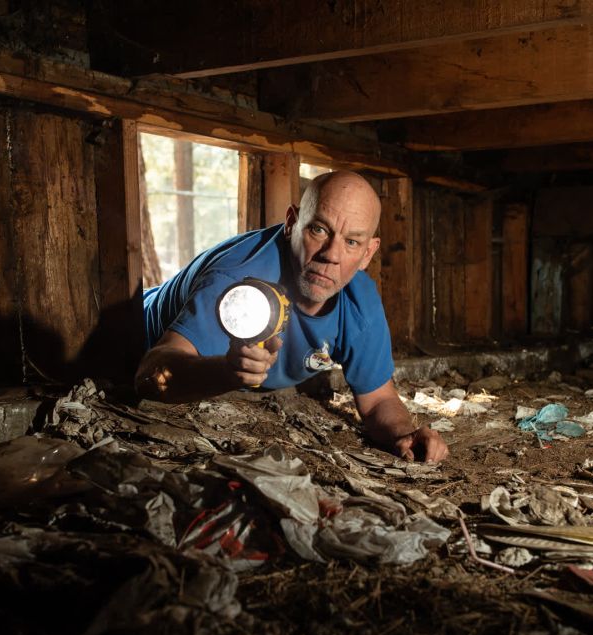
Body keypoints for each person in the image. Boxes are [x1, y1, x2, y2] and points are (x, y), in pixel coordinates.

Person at [135, 170, 448, 463]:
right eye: (319, 229)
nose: (332, 255)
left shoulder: (359, 302)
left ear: (368, 252)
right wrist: (225, 372)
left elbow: (379, 399)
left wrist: (404, 434)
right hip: (135, 326)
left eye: (351, 241)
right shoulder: (236, 281)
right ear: (291, 222)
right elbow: (150, 375)